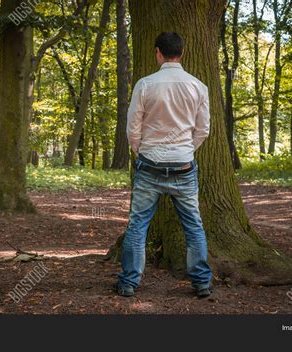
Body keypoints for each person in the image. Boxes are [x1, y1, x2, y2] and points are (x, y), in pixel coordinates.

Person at [115, 32, 212, 298]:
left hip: (149, 165)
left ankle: (129, 283)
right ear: (182, 52)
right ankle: (202, 282)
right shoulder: (197, 86)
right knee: (193, 225)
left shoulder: (145, 85)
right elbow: (203, 130)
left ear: (158, 52)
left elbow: (132, 126)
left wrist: (140, 150)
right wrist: (185, 151)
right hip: (183, 166)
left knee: (137, 225)